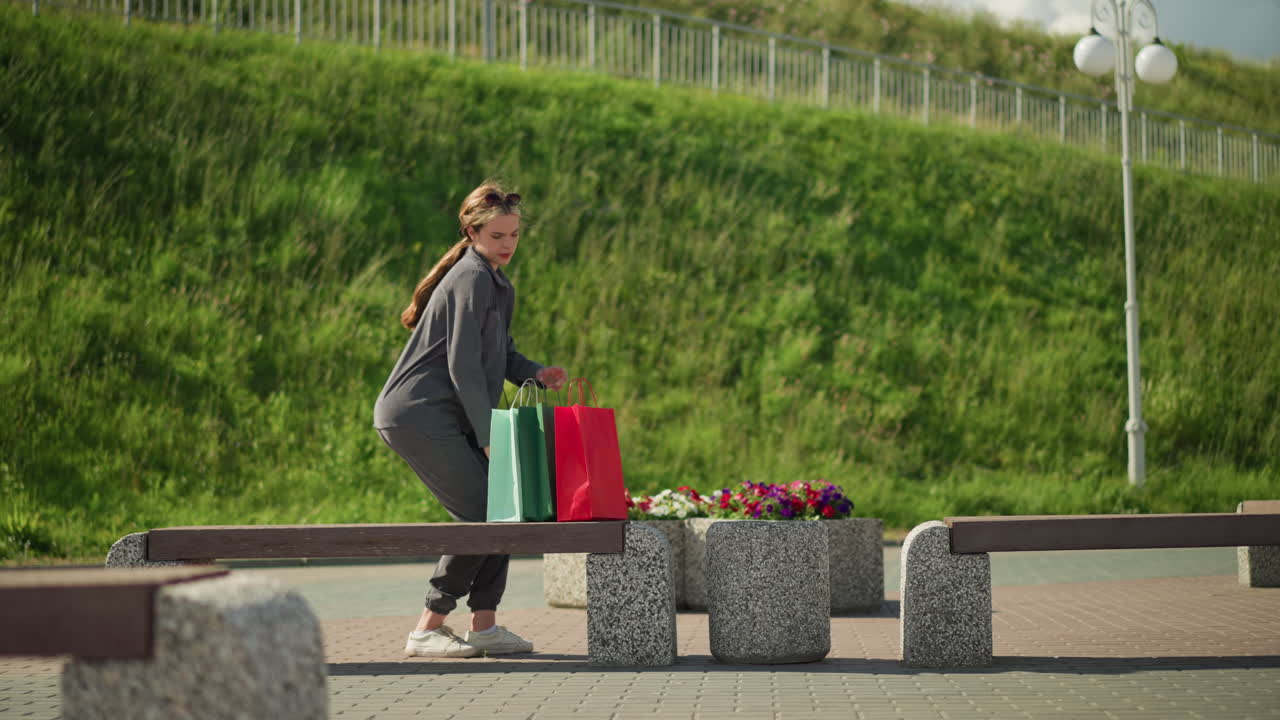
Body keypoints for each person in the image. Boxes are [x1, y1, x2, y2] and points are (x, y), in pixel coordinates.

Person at [373, 182, 568, 658]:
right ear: (472, 231)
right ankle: (428, 627)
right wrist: (487, 438)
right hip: (417, 413)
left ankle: (484, 626)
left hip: (447, 411)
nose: (508, 245)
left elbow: (499, 354)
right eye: (498, 235)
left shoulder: (497, 284)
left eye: (514, 235)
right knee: (483, 513)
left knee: (501, 509)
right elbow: (462, 365)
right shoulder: (471, 277)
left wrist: (536, 374)